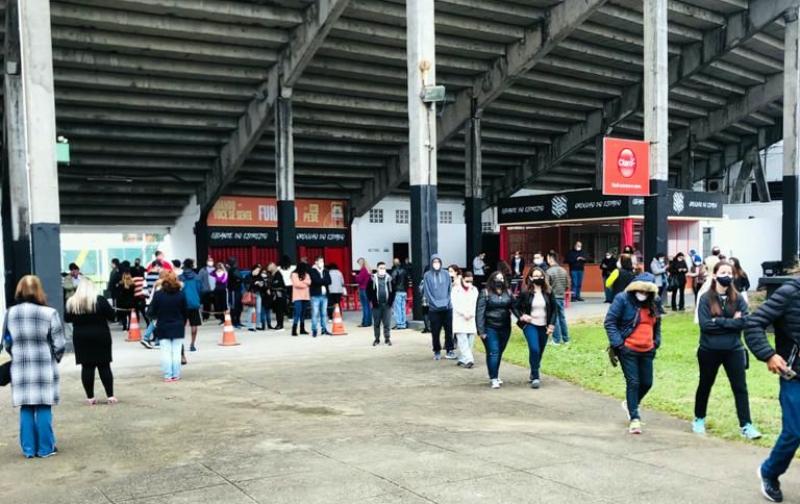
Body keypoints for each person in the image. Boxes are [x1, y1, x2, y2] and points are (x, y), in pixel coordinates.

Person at [744, 273, 800, 503]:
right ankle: (769, 472)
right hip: (794, 376)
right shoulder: (790, 293)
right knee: (795, 431)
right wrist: (769, 354)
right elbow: (753, 324)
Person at [692, 261, 761, 440]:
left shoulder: (738, 298)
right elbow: (706, 325)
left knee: (740, 387)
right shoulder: (705, 298)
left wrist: (719, 321)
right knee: (705, 384)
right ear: (714, 275)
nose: (727, 276)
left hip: (734, 350)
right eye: (723, 272)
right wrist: (731, 322)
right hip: (709, 350)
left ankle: (746, 424)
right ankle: (699, 418)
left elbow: (745, 321)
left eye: (729, 273)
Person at [2, 275, 66, 458]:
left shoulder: (10, 313)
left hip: (20, 366)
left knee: (26, 407)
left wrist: (16, 353)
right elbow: (59, 344)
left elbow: (6, 341)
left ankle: (29, 449)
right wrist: (54, 357)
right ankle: (46, 448)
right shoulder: (49, 313)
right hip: (44, 365)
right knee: (44, 406)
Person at [604, 273, 662, 435]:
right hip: (628, 349)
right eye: (640, 290)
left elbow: (657, 324)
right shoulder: (622, 299)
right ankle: (634, 418)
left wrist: (656, 342)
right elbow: (610, 322)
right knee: (634, 382)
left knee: (647, 383)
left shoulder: (654, 301)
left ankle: (631, 403)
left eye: (646, 291)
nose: (643, 294)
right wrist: (619, 345)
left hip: (647, 349)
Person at [65, 279, 117, 406]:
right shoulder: (99, 300)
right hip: (101, 335)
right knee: (104, 366)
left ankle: (90, 397)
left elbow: (67, 318)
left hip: (81, 337)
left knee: (87, 367)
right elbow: (112, 316)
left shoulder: (72, 302)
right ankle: (110, 396)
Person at [516, 268, 557, 389]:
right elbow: (516, 306)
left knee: (540, 351)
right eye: (535, 276)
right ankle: (536, 376)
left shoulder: (549, 292)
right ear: (530, 278)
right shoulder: (525, 292)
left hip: (544, 325)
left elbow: (554, 310)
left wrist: (551, 324)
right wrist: (522, 316)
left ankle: (533, 369)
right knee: (534, 349)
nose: (538, 278)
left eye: (540, 276)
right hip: (530, 325)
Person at [477, 271, 515, 389]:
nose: (500, 281)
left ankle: (494, 373)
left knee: (498, 352)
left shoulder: (508, 293)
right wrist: (481, 330)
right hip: (490, 327)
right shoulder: (485, 293)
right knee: (494, 351)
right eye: (497, 278)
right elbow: (480, 312)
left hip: (505, 327)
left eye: (502, 278)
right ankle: (494, 378)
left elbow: (515, 307)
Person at [147, 271, 187, 382]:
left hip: (163, 325)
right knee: (176, 351)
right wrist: (183, 322)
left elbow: (151, 311)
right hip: (178, 325)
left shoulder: (158, 295)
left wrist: (155, 320)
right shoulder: (181, 294)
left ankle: (168, 375)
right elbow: (185, 311)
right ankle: (176, 374)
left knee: (166, 352)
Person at [423, 254, 455, 360]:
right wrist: (434, 303)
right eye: (434, 262)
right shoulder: (427, 275)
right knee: (435, 331)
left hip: (447, 307)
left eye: (438, 262)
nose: (436, 264)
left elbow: (450, 289)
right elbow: (427, 291)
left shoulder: (446, 274)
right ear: (431, 263)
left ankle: (450, 350)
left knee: (449, 330)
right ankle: (436, 350)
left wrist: (447, 301)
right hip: (434, 309)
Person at [451, 270, 478, 369]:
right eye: (467, 281)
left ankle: (463, 358)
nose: (469, 284)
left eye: (471, 281)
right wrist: (463, 313)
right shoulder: (455, 289)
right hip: (460, 317)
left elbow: (475, 303)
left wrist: (471, 313)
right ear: (462, 279)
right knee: (462, 340)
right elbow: (454, 304)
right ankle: (469, 359)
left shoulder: (474, 290)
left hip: (471, 317)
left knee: (470, 339)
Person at [367, 262, 395, 346]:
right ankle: (377, 339)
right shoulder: (372, 279)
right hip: (376, 305)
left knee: (387, 323)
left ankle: (387, 338)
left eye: (384, 268)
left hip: (387, 305)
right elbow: (368, 291)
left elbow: (393, 291)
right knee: (376, 323)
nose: (382, 269)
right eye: (381, 268)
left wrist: (390, 302)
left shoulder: (389, 279)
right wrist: (372, 301)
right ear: (377, 268)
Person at [179, 259, 204, 351]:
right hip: (194, 303)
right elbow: (200, 290)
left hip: (183, 304)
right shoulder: (197, 277)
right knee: (194, 325)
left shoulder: (180, 277)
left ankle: (180, 344)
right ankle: (192, 345)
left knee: (181, 325)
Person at [546, 253, 570, 346]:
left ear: (550, 259)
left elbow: (547, 287)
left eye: (547, 258)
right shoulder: (564, 270)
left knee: (554, 318)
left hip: (553, 297)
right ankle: (566, 339)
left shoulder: (549, 271)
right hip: (561, 296)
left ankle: (556, 340)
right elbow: (568, 284)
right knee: (562, 318)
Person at [309, 257, 332, 337]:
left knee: (324, 313)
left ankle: (324, 329)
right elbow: (315, 281)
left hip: (324, 295)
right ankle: (314, 329)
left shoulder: (325, 271)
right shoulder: (312, 271)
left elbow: (329, 281)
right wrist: (323, 281)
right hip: (315, 295)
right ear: (316, 262)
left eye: (322, 261)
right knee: (315, 313)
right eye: (320, 261)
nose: (322, 263)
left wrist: (321, 280)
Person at [291, 262, 311, 336]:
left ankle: (302, 329)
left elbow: (309, 282)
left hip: (305, 296)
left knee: (303, 313)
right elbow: (297, 284)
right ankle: (294, 329)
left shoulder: (307, 274)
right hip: (297, 297)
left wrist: (303, 282)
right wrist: (305, 284)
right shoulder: (294, 274)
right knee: (298, 313)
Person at [391, 258, 409, 330]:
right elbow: (407, 281)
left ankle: (399, 324)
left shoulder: (394, 271)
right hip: (404, 291)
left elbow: (393, 281)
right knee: (403, 308)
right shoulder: (404, 271)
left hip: (397, 291)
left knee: (397, 308)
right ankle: (403, 323)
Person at [242, 265, 262, 332]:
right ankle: (250, 326)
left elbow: (263, 285)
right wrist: (254, 283)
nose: (257, 272)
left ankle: (258, 325)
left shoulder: (259, 276)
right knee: (251, 311)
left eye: (259, 271)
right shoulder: (248, 276)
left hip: (258, 294)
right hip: (251, 295)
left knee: (258, 311)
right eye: (256, 270)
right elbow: (246, 286)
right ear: (253, 269)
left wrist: (261, 284)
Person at [226, 258, 243, 328]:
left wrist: (239, 280)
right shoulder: (232, 270)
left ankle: (238, 321)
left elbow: (240, 278)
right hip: (233, 291)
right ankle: (234, 321)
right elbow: (240, 278)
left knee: (239, 307)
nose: (236, 264)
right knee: (234, 307)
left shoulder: (235, 270)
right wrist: (239, 280)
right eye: (235, 262)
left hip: (238, 290)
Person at [268, 262, 286, 331]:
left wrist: (270, 287)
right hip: (275, 295)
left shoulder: (278, 274)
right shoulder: (272, 274)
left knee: (280, 310)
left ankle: (281, 325)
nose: (269, 268)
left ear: (274, 266)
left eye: (270, 266)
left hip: (279, 295)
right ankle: (278, 324)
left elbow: (277, 283)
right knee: (277, 311)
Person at [355, 258, 372, 327]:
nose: (359, 265)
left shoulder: (363, 270)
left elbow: (359, 280)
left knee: (365, 307)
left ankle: (365, 322)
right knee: (368, 306)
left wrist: (356, 276)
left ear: (361, 263)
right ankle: (369, 322)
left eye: (359, 263)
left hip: (363, 289)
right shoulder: (368, 270)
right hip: (367, 289)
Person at [199, 257, 214, 321]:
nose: (210, 262)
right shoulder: (203, 270)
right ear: (206, 262)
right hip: (206, 290)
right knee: (206, 304)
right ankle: (205, 317)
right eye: (209, 261)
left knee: (217, 304)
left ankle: (219, 316)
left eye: (211, 260)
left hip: (214, 289)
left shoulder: (215, 269)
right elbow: (199, 279)